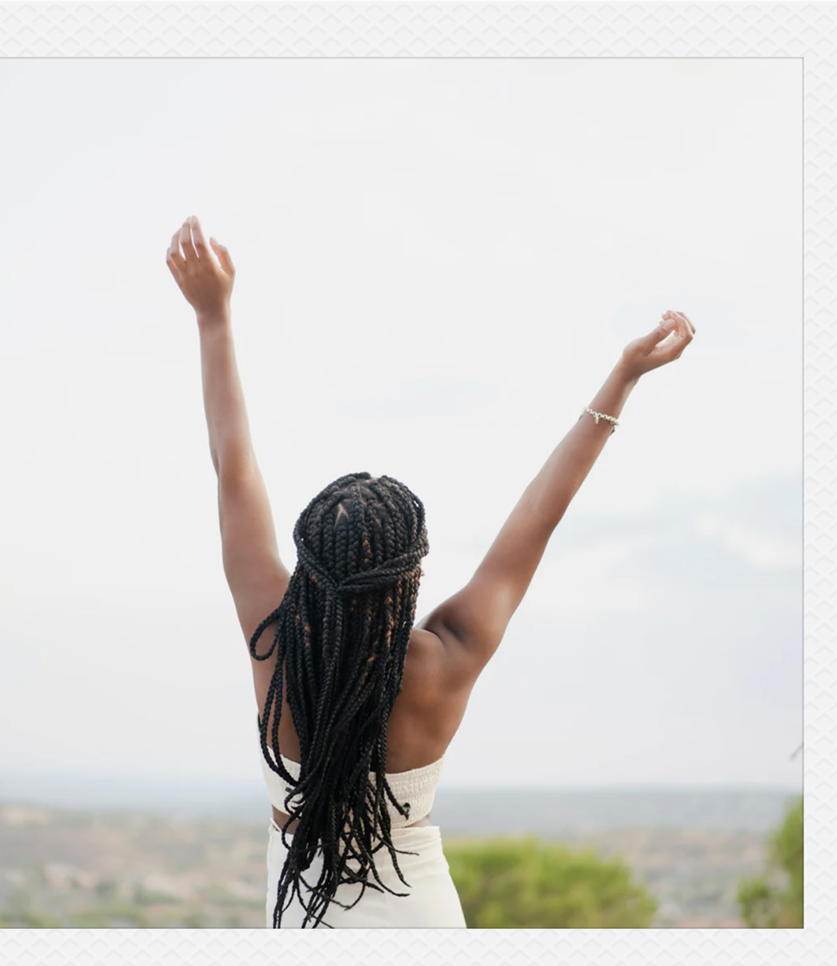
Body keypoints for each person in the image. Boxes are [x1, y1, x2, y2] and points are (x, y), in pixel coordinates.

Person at [165, 214, 696, 929]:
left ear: (307, 569)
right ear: (408, 579)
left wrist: (212, 317)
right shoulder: (449, 655)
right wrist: (623, 377)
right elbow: (538, 518)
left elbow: (233, 469)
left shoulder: (275, 636)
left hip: (302, 918)